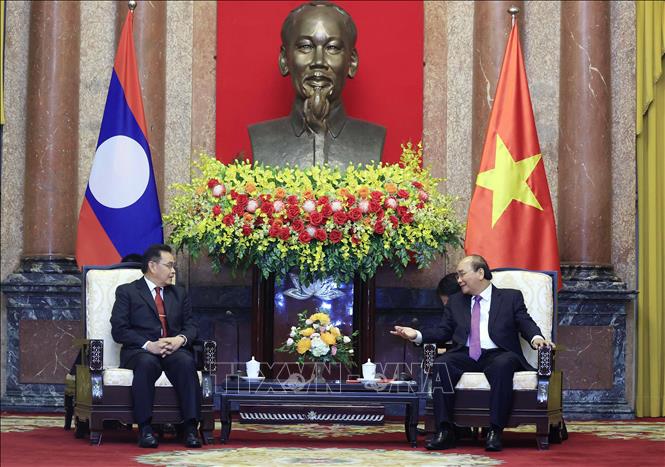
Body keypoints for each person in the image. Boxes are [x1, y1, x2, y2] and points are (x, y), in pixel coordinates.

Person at [391, 254, 554, 451]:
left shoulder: (510, 297)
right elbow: (443, 332)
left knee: (502, 365)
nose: (459, 280)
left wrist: (537, 338)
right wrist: (416, 335)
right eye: (457, 276)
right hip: (466, 354)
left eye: (462, 274)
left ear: (480, 273)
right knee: (442, 364)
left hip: (499, 353)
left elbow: (525, 322)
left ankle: (495, 431)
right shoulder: (456, 301)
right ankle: (445, 431)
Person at [249, 1, 385, 168]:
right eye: (305, 46)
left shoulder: (373, 138)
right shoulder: (261, 138)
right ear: (284, 60)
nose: (318, 61)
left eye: (332, 48)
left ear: (352, 62)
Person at [110, 244, 201, 449]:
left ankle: (190, 428)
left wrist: (179, 340)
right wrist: (148, 345)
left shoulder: (179, 293)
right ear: (152, 266)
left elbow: (192, 326)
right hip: (140, 351)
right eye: (169, 265)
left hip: (173, 350)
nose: (173, 271)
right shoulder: (128, 292)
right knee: (146, 364)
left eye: (173, 266)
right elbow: (119, 330)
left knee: (186, 362)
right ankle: (145, 428)